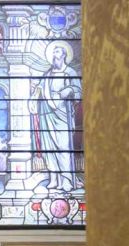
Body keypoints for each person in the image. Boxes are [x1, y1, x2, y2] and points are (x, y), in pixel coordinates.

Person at [28, 44, 82, 192]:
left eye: (57, 52)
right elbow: (39, 88)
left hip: (62, 115)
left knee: (63, 147)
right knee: (49, 147)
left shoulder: (70, 72)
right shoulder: (47, 74)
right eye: (53, 52)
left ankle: (66, 181)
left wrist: (68, 90)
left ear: (64, 55)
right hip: (46, 114)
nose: (54, 55)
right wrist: (33, 99)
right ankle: (54, 178)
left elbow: (78, 91)